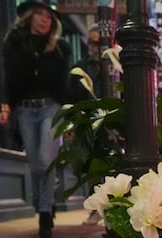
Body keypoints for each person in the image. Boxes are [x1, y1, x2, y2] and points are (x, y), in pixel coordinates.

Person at [0, 0, 71, 238]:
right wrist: (6, 105)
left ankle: (44, 213)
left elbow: (64, 85)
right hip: (25, 110)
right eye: (39, 14)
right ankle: (47, 202)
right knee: (34, 165)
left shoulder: (60, 47)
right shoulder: (14, 43)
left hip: (51, 108)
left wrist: (69, 115)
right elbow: (9, 77)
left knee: (44, 159)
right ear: (30, 16)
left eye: (48, 16)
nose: (44, 20)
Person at [71, 25, 105, 226]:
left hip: (111, 119)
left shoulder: (115, 65)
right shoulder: (81, 67)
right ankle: (95, 208)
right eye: (92, 42)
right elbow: (75, 98)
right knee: (92, 165)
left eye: (99, 42)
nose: (95, 46)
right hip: (89, 122)